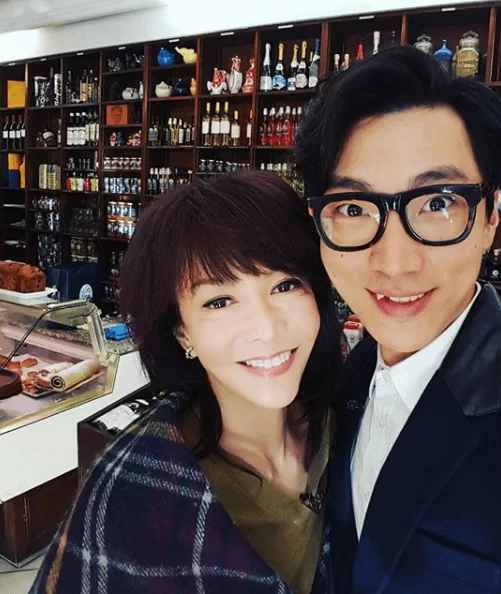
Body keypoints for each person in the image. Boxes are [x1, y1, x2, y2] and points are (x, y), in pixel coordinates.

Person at [295, 45, 501, 594]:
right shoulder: (344, 381)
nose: (395, 263)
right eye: (354, 209)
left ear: (491, 216)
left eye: (437, 204)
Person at [29, 172, 341, 594]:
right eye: (219, 301)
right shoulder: (131, 494)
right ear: (182, 333)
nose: (266, 328)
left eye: (285, 285)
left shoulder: (348, 423)